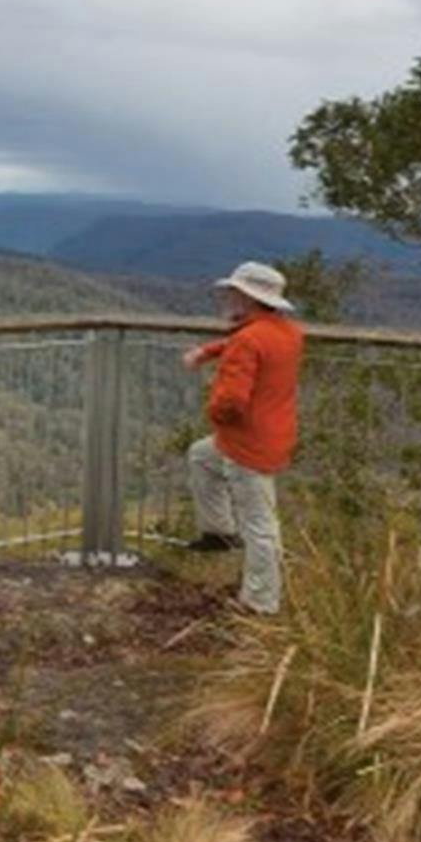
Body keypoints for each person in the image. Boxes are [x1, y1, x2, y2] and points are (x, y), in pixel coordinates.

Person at [181, 261, 304, 615]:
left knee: (261, 526)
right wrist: (207, 352)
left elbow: (232, 401)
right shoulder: (286, 332)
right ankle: (218, 532)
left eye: (233, 293)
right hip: (273, 433)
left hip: (247, 443)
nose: (228, 297)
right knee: (201, 455)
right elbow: (244, 341)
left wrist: (215, 410)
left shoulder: (250, 339)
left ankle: (260, 603)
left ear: (248, 299)